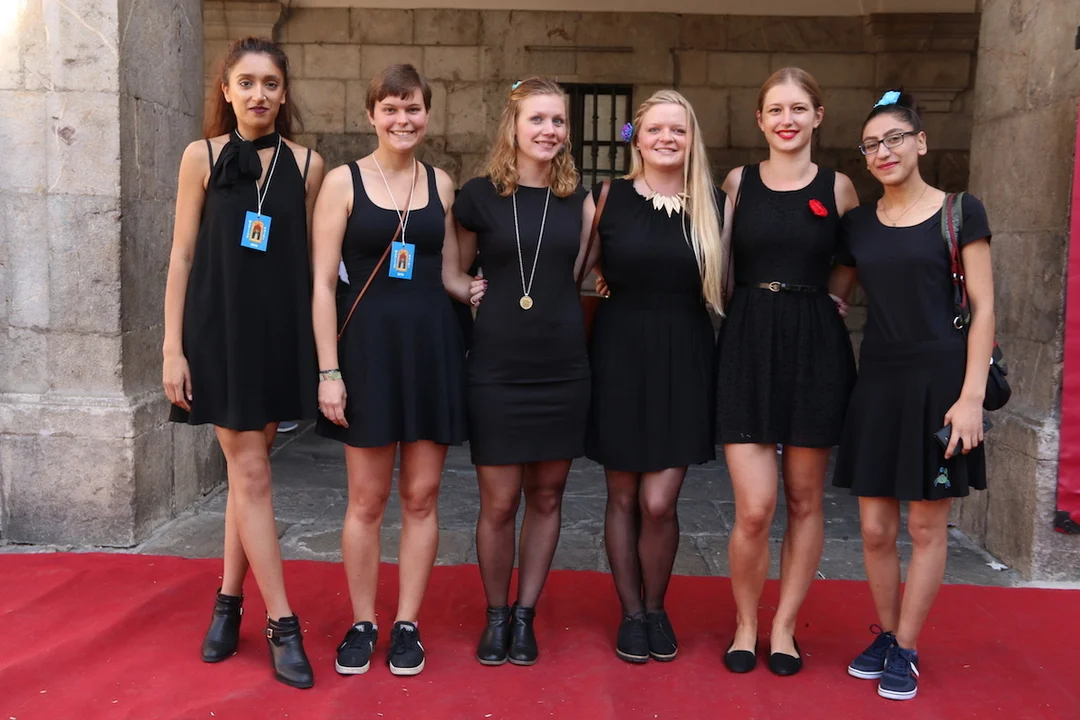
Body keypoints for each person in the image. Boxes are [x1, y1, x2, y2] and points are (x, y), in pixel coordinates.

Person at [163, 37, 324, 689]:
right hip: (217, 334)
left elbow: (312, 261)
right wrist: (171, 348)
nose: (259, 93)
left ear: (284, 95)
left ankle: (227, 604)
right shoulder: (199, 157)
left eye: (270, 83)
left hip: (277, 336)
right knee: (252, 472)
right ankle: (283, 624)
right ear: (226, 91)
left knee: (245, 476)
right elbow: (181, 256)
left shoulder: (308, 165)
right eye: (247, 82)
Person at [832, 89, 993, 702]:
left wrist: (971, 397)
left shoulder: (960, 211)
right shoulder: (858, 225)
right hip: (878, 383)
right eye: (871, 144)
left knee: (926, 527)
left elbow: (984, 308)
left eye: (895, 138)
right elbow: (834, 294)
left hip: (942, 386)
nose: (884, 151)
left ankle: (907, 647)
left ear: (920, 142)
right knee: (875, 529)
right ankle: (888, 633)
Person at [312, 64, 472, 678]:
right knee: (367, 499)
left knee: (422, 496)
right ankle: (362, 621)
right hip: (369, 355)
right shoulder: (343, 182)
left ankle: (407, 623)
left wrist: (490, 292)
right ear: (372, 115)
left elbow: (450, 273)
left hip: (431, 351)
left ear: (426, 114)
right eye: (391, 109)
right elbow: (322, 286)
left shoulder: (442, 183)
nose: (403, 120)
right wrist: (329, 372)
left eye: (413, 109)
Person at [716, 67, 858, 676]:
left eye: (799, 108)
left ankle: (783, 629)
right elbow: (717, 261)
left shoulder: (839, 187)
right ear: (760, 119)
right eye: (775, 109)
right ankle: (746, 623)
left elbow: (852, 258)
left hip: (814, 346)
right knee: (755, 508)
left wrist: (833, 297)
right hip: (747, 341)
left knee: (804, 500)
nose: (787, 119)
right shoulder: (738, 182)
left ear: (818, 116)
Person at [585, 90, 726, 663]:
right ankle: (632, 614)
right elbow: (576, 264)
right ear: (636, 138)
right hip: (620, 352)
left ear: (692, 140)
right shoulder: (607, 197)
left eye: (679, 130)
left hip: (685, 355)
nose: (667, 138)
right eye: (656, 129)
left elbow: (734, 281)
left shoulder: (715, 204)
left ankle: (657, 606)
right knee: (622, 496)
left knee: (660, 501)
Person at [454, 77, 589, 667]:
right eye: (537, 119)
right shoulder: (478, 196)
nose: (548, 130)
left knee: (548, 494)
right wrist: (466, 288)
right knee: (499, 501)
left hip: (562, 367)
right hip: (497, 368)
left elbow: (586, 271)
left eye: (558, 121)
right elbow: (453, 271)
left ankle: (526, 613)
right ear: (513, 125)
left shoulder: (581, 200)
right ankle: (495, 613)